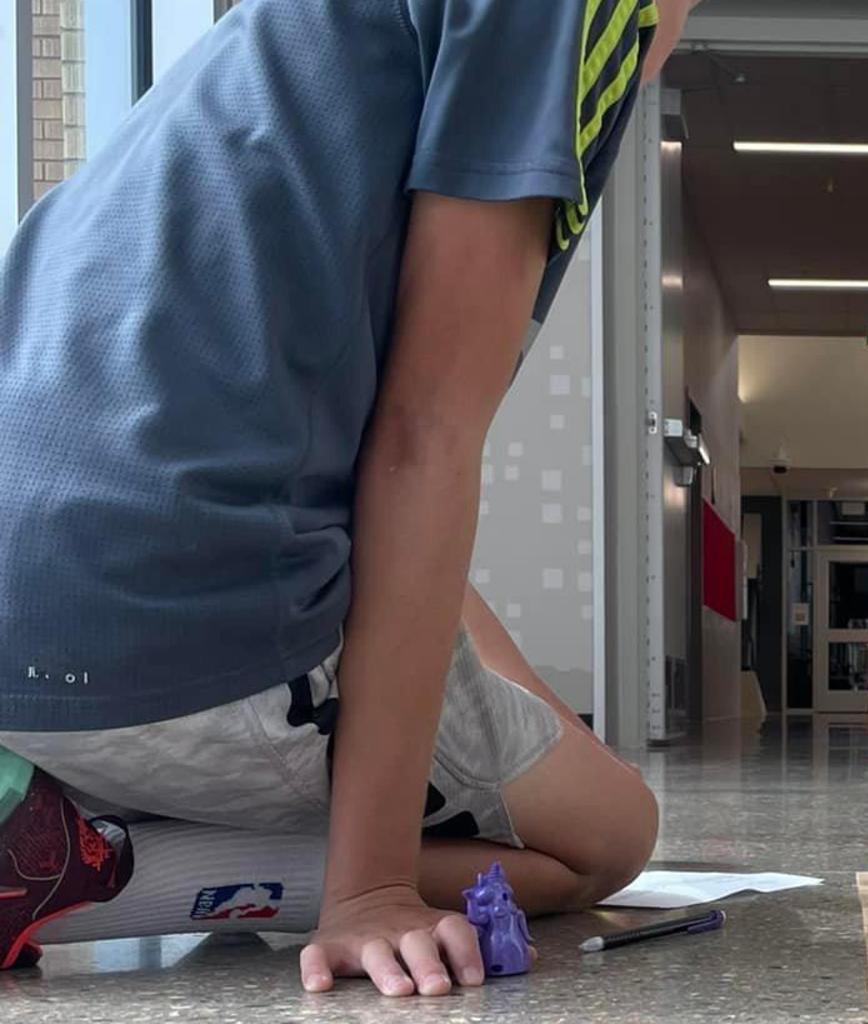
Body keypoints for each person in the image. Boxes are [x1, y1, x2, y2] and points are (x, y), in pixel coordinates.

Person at [0, 0, 695, 995]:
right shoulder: (569, 20)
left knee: (565, 772)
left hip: (39, 583)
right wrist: (368, 886)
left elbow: (389, 466)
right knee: (609, 835)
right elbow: (423, 441)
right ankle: (82, 864)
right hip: (160, 600)